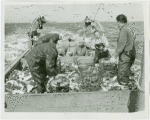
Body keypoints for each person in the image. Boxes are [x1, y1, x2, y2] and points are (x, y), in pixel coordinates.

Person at [111, 14, 136, 86]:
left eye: (117, 23)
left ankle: (124, 91)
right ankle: (126, 82)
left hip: (126, 55)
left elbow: (121, 44)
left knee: (122, 75)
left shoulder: (123, 30)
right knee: (126, 71)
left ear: (119, 22)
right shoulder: (129, 28)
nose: (117, 25)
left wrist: (114, 56)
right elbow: (134, 37)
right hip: (132, 53)